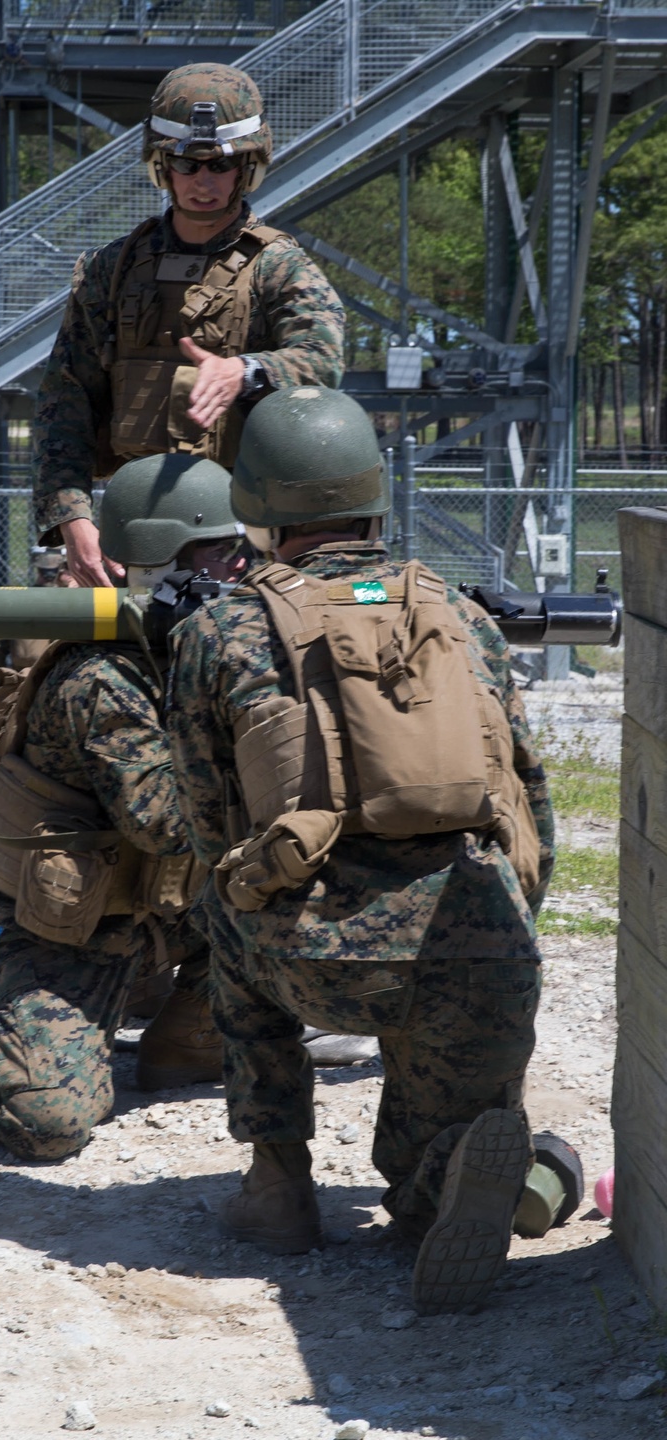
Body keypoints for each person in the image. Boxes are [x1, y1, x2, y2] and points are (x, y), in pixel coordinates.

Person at [167, 386, 557, 1315]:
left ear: (255, 508)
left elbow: (206, 824)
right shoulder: (464, 618)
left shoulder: (218, 630)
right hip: (480, 946)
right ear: (375, 496)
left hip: (309, 960)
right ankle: (442, 1189)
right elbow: (530, 804)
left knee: (227, 914)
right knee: (457, 1091)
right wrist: (503, 924)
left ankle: (278, 1185)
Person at [0, 454, 248, 1160]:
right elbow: (167, 824)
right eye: (221, 551)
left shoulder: (195, 647)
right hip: (65, 932)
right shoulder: (102, 679)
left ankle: (185, 1039)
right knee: (46, 1124)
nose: (241, 568)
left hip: (159, 909)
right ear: (161, 562)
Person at [32, 61, 346, 587]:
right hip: (135, 532)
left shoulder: (277, 266)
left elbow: (323, 358)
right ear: (162, 164)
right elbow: (66, 401)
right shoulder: (111, 271)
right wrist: (73, 519)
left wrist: (245, 372)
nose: (204, 181)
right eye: (186, 163)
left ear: (247, 167)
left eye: (221, 165)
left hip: (246, 538)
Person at [0, 545, 77, 674]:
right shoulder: (72, 603)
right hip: (58, 675)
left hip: (24, 675)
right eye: (67, 567)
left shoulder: (18, 600)